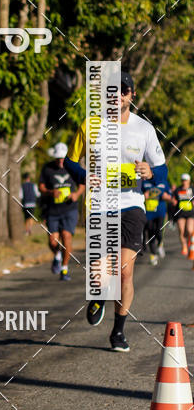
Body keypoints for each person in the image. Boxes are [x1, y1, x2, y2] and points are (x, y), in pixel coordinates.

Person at [64, 71, 168, 352]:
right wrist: (84, 176)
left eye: (124, 90)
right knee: (100, 274)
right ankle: (98, 295)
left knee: (125, 272)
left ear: (132, 95)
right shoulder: (91, 125)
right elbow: (69, 162)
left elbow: (162, 169)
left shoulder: (144, 129)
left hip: (132, 204)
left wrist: (151, 172)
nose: (118, 95)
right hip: (100, 203)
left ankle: (118, 331)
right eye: (112, 90)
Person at [38, 142, 84, 281]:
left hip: (69, 209)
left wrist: (76, 194)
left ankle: (64, 269)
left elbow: (82, 183)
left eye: (63, 158)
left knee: (66, 236)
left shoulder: (73, 167)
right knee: (53, 241)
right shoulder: (47, 168)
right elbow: (41, 187)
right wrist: (51, 192)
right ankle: (57, 255)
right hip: (53, 210)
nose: (60, 160)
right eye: (58, 158)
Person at [142, 177, 171, 264]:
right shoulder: (144, 182)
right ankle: (153, 255)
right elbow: (137, 196)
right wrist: (144, 195)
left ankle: (160, 244)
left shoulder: (163, 182)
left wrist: (167, 197)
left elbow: (170, 196)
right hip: (149, 212)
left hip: (160, 212)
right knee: (150, 232)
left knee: (159, 231)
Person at [171, 173, 194, 257]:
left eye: (186, 180)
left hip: (190, 213)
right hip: (180, 213)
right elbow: (173, 199)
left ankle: (188, 242)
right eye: (183, 180)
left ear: (189, 181)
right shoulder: (178, 189)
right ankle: (184, 246)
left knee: (190, 230)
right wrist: (173, 201)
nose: (184, 182)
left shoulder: (192, 189)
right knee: (182, 231)